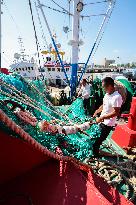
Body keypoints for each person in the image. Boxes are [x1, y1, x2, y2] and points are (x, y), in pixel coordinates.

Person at [92, 77, 123, 157]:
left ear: (109, 86)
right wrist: (97, 111)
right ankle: (96, 151)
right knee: (95, 138)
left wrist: (102, 118)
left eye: (104, 87)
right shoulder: (107, 94)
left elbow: (116, 112)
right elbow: (104, 104)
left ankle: (96, 156)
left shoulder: (117, 97)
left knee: (98, 141)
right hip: (102, 121)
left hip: (108, 124)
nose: (103, 89)